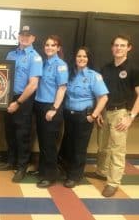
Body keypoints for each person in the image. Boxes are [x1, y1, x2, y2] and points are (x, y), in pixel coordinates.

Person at [86, 34, 139, 197]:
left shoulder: (133, 69)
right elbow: (101, 93)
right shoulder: (106, 68)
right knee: (103, 147)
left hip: (121, 113)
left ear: (129, 48)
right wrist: (99, 111)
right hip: (105, 112)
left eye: (122, 46)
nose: (118, 48)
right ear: (112, 47)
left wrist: (130, 116)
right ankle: (101, 172)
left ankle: (113, 182)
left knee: (117, 150)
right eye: (116, 45)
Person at [0, 25, 43, 182]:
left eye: (28, 35)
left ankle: (22, 166)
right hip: (7, 98)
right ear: (18, 36)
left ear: (33, 38)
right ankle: (11, 161)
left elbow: (33, 84)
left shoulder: (34, 57)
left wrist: (18, 102)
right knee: (9, 131)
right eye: (22, 35)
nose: (24, 37)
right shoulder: (11, 54)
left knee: (22, 135)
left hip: (23, 99)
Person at [58, 47, 108, 188]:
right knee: (68, 144)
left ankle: (75, 176)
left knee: (79, 147)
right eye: (79, 56)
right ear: (75, 58)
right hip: (69, 115)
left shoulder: (94, 76)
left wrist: (93, 115)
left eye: (84, 56)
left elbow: (103, 98)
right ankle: (66, 171)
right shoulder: (70, 75)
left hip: (84, 117)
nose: (81, 59)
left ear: (88, 59)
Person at [34, 35, 69, 188]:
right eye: (47, 45)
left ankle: (50, 176)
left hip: (51, 107)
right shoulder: (43, 63)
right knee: (42, 141)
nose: (49, 47)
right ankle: (42, 171)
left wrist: (54, 108)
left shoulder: (60, 65)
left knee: (49, 144)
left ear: (58, 48)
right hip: (40, 105)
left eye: (53, 45)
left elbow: (62, 88)